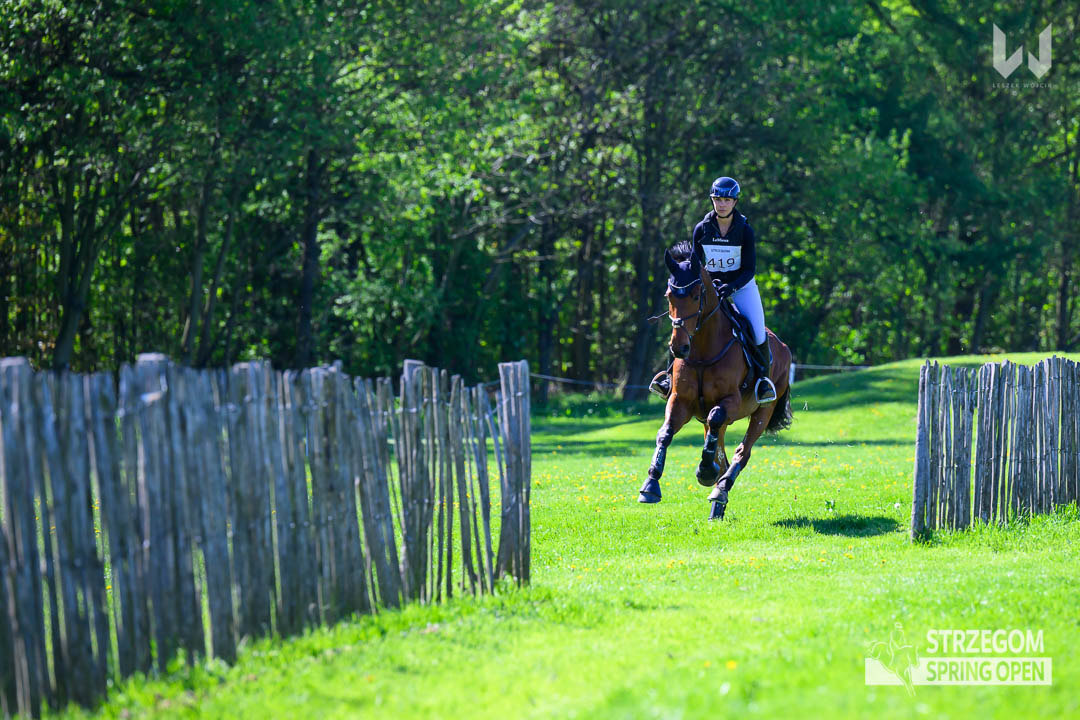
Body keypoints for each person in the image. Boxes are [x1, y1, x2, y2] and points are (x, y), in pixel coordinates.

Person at [649, 176, 776, 404]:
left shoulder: (745, 231)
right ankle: (668, 378)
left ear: (735, 202)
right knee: (682, 323)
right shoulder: (702, 229)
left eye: (727, 200)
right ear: (712, 200)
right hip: (710, 288)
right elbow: (696, 265)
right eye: (718, 199)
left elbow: (749, 269)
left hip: (741, 286)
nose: (722, 204)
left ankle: (763, 382)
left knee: (758, 331)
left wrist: (731, 286)